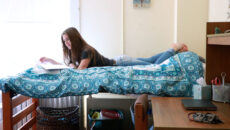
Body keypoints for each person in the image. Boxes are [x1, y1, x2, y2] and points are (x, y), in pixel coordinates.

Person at [40, 27, 188, 70]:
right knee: (150, 60)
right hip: (120, 59)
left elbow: (79, 72)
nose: (67, 43)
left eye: (68, 40)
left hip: (120, 63)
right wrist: (50, 61)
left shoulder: (85, 51)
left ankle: (173, 48)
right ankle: (175, 50)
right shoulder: (77, 52)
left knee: (154, 66)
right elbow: (66, 64)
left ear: (75, 38)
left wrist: (71, 65)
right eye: (64, 41)